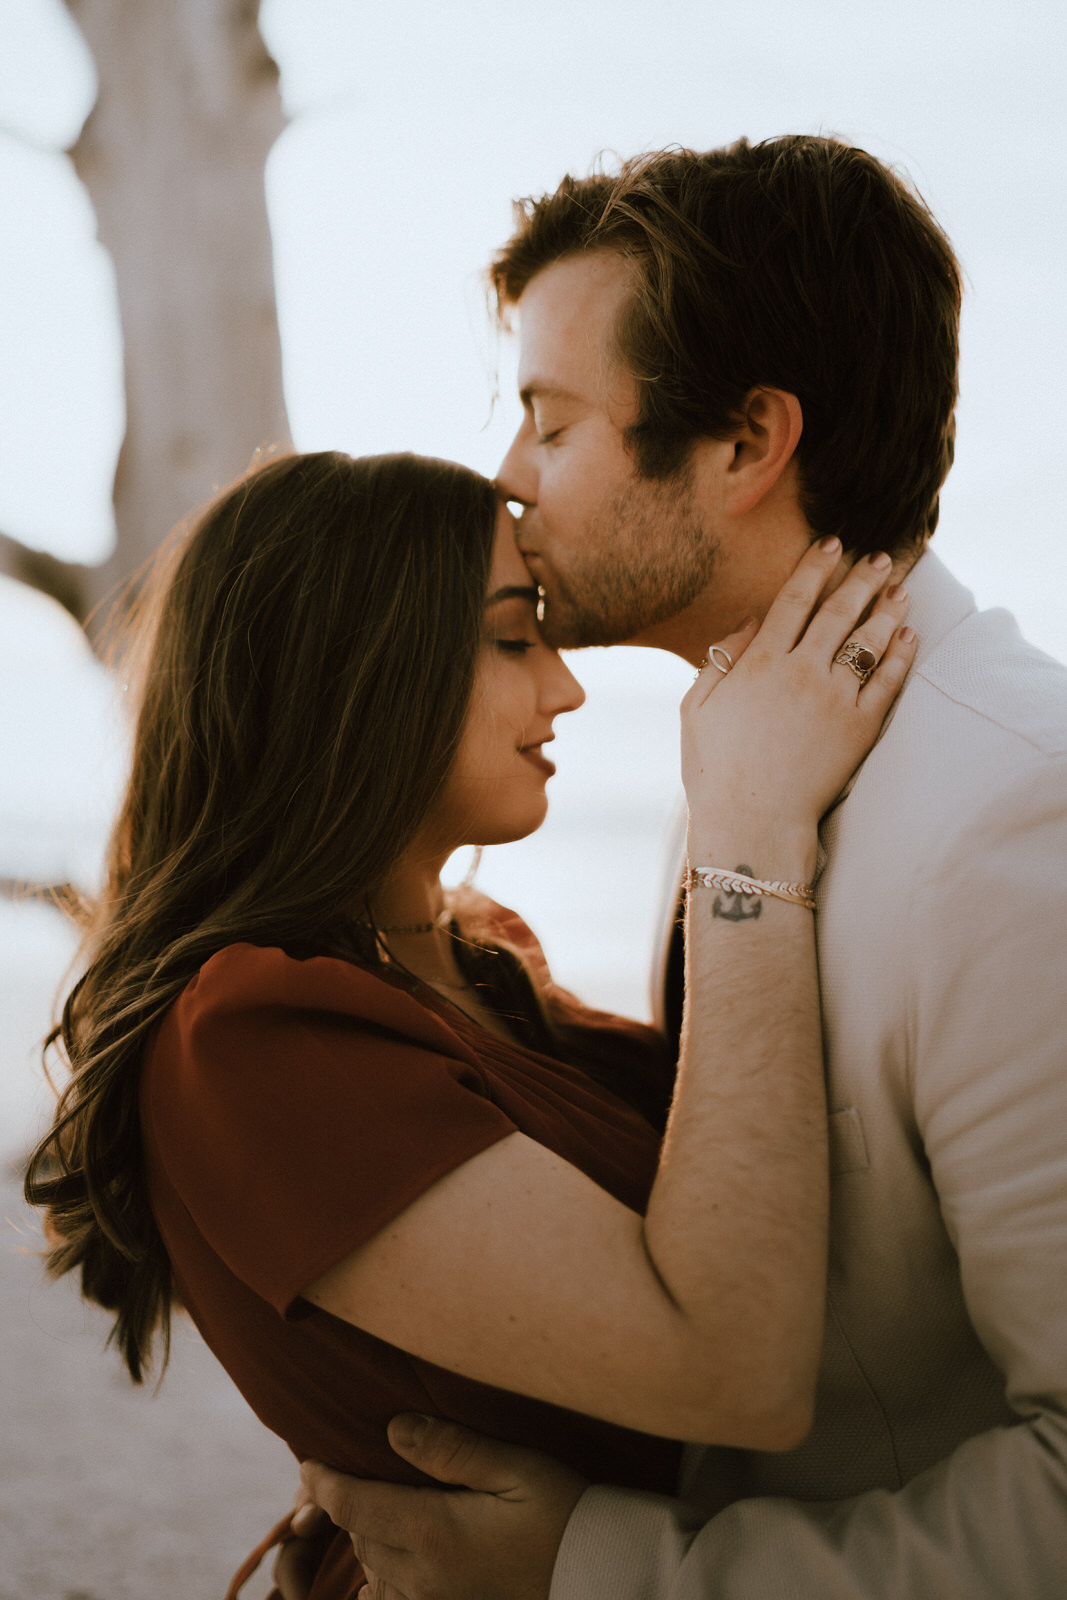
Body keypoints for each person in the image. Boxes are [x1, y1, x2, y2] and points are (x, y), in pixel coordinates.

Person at [284, 137, 1067, 1598]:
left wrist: (610, 1568)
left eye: (550, 423)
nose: (505, 481)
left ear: (743, 443)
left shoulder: (1016, 817)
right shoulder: (757, 753)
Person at [24, 448, 914, 1600]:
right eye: (511, 638)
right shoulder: (248, 1040)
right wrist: (747, 833)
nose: (565, 686)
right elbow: (732, 1367)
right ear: (354, 676)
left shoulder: (469, 954)